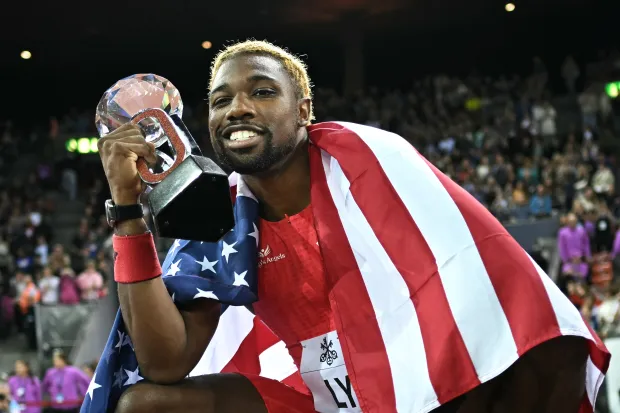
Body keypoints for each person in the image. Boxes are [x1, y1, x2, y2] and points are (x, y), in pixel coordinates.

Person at [91, 40, 608, 413]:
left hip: (428, 383)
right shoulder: (223, 212)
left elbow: (485, 293)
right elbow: (165, 363)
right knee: (144, 405)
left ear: (304, 110)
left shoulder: (371, 160)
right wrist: (128, 210)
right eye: (221, 100)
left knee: (526, 359)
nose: (238, 108)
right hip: (322, 399)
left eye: (262, 92)